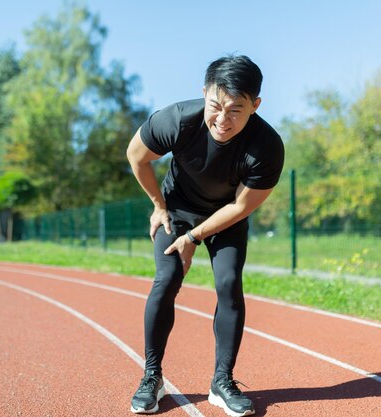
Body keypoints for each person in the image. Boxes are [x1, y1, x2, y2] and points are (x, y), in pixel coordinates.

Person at [126, 54, 284, 417]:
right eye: (216, 106)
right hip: (177, 209)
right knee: (166, 280)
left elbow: (242, 207)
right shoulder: (178, 120)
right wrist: (158, 205)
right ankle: (152, 377)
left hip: (225, 217)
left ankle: (222, 381)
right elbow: (137, 156)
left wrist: (195, 237)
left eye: (236, 110)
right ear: (204, 94)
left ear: (255, 106)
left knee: (229, 283)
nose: (222, 120)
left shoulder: (266, 147)